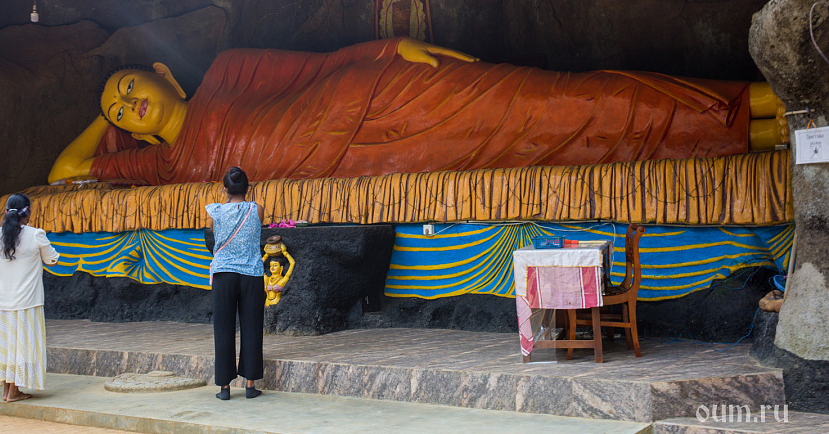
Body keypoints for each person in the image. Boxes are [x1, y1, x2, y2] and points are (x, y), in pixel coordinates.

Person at [48, 38, 788, 186]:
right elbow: (68, 170)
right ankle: (770, 142)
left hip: (383, 94)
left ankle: (778, 101)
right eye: (120, 107)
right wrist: (98, 119)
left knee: (560, 100)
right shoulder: (169, 162)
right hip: (384, 159)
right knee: (562, 143)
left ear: (161, 72)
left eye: (127, 84)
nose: (128, 100)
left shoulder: (227, 71)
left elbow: (320, 65)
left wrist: (395, 46)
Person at [0, 193, 59, 402]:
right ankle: (14, 391)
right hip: (27, 301)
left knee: (6, 345)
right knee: (21, 346)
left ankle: (8, 390)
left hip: (2, 300)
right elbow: (52, 260)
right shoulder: (36, 234)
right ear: (28, 212)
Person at [207, 167, 266, 400]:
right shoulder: (257, 209)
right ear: (247, 188)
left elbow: (209, 239)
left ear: (225, 189)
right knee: (252, 327)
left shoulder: (214, 211)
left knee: (223, 328)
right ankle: (250, 385)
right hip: (251, 273)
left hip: (223, 274)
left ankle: (224, 388)